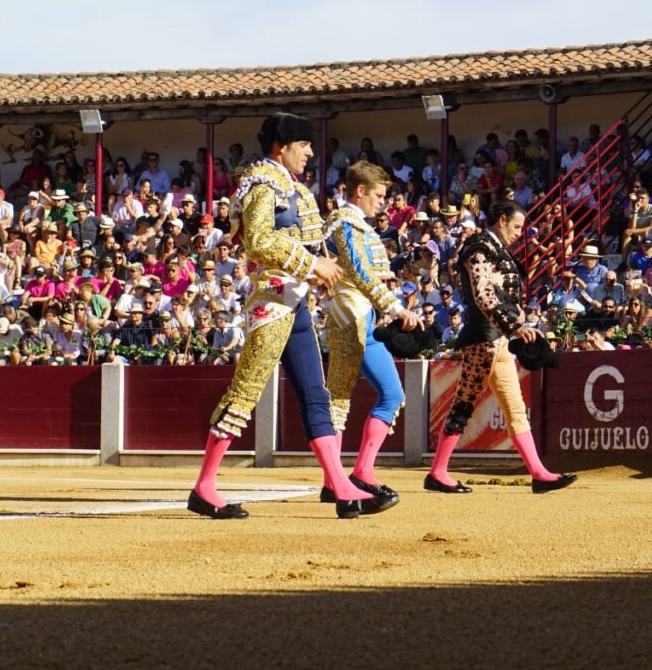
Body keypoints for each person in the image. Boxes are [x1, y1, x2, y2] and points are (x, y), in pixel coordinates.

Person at [189, 113, 390, 521]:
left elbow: (300, 241)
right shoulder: (264, 182)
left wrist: (322, 267)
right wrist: (311, 265)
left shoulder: (288, 185)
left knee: (316, 393)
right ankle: (205, 486)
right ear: (283, 146)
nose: (311, 152)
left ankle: (338, 482)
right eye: (304, 145)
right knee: (245, 392)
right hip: (271, 301)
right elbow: (261, 240)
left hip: (294, 301)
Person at [427, 199, 576, 495]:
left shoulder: (492, 248)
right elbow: (483, 293)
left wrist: (515, 316)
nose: (520, 233)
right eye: (517, 226)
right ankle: (438, 472)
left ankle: (539, 473)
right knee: (465, 402)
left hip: (497, 339)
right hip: (484, 339)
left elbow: (494, 292)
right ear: (501, 220)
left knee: (514, 409)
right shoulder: (480, 247)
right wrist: (513, 324)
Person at [322, 161, 422, 502]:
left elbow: (369, 272)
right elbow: (361, 274)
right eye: (378, 195)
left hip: (358, 316)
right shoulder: (344, 222)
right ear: (360, 191)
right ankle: (353, 474)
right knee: (359, 398)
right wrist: (395, 307)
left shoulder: (354, 224)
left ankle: (339, 477)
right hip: (352, 316)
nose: (383, 202)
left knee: (347, 398)